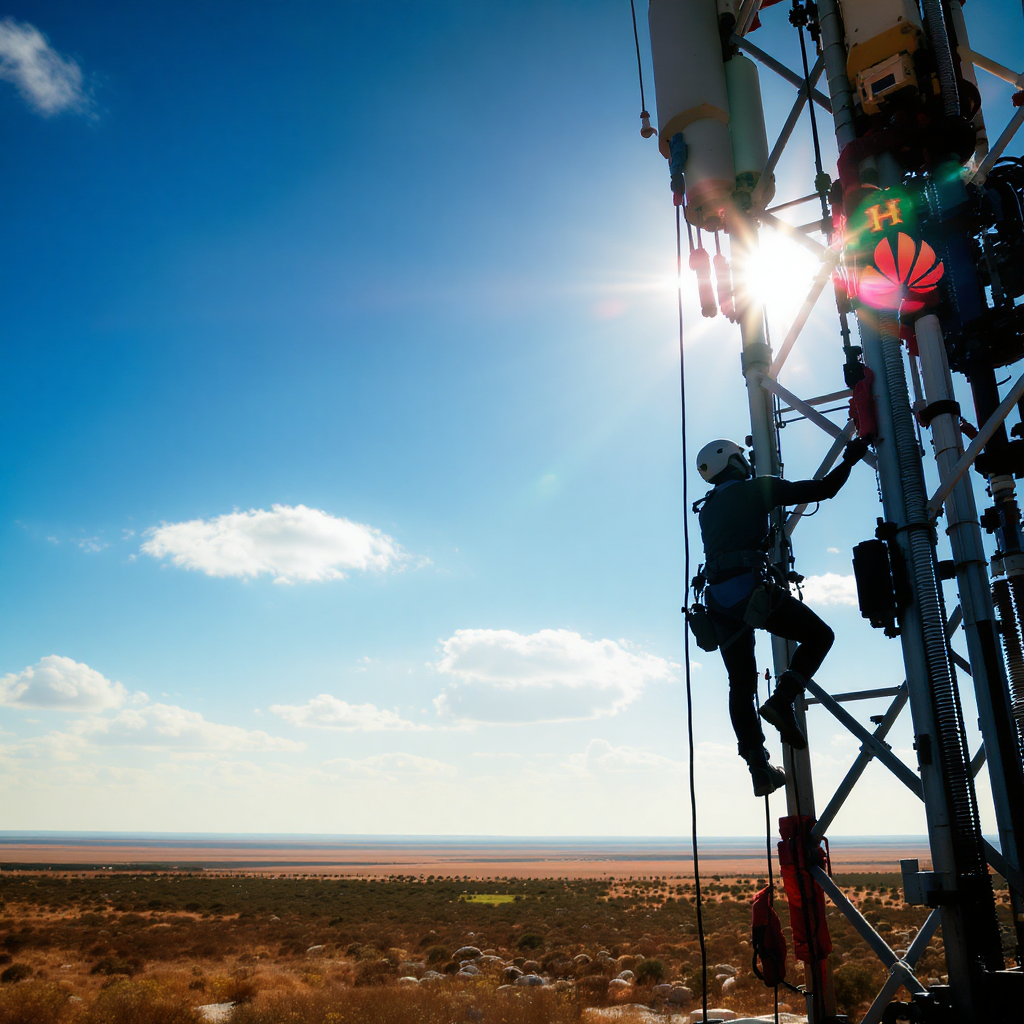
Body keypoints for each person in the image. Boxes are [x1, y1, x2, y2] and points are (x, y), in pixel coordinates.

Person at [694, 437, 869, 796]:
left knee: (740, 684)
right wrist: (850, 459)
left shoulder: (707, 508)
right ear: (734, 462)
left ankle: (758, 766)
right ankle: (782, 699)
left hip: (719, 603)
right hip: (750, 591)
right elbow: (824, 489)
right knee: (820, 636)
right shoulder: (756, 490)